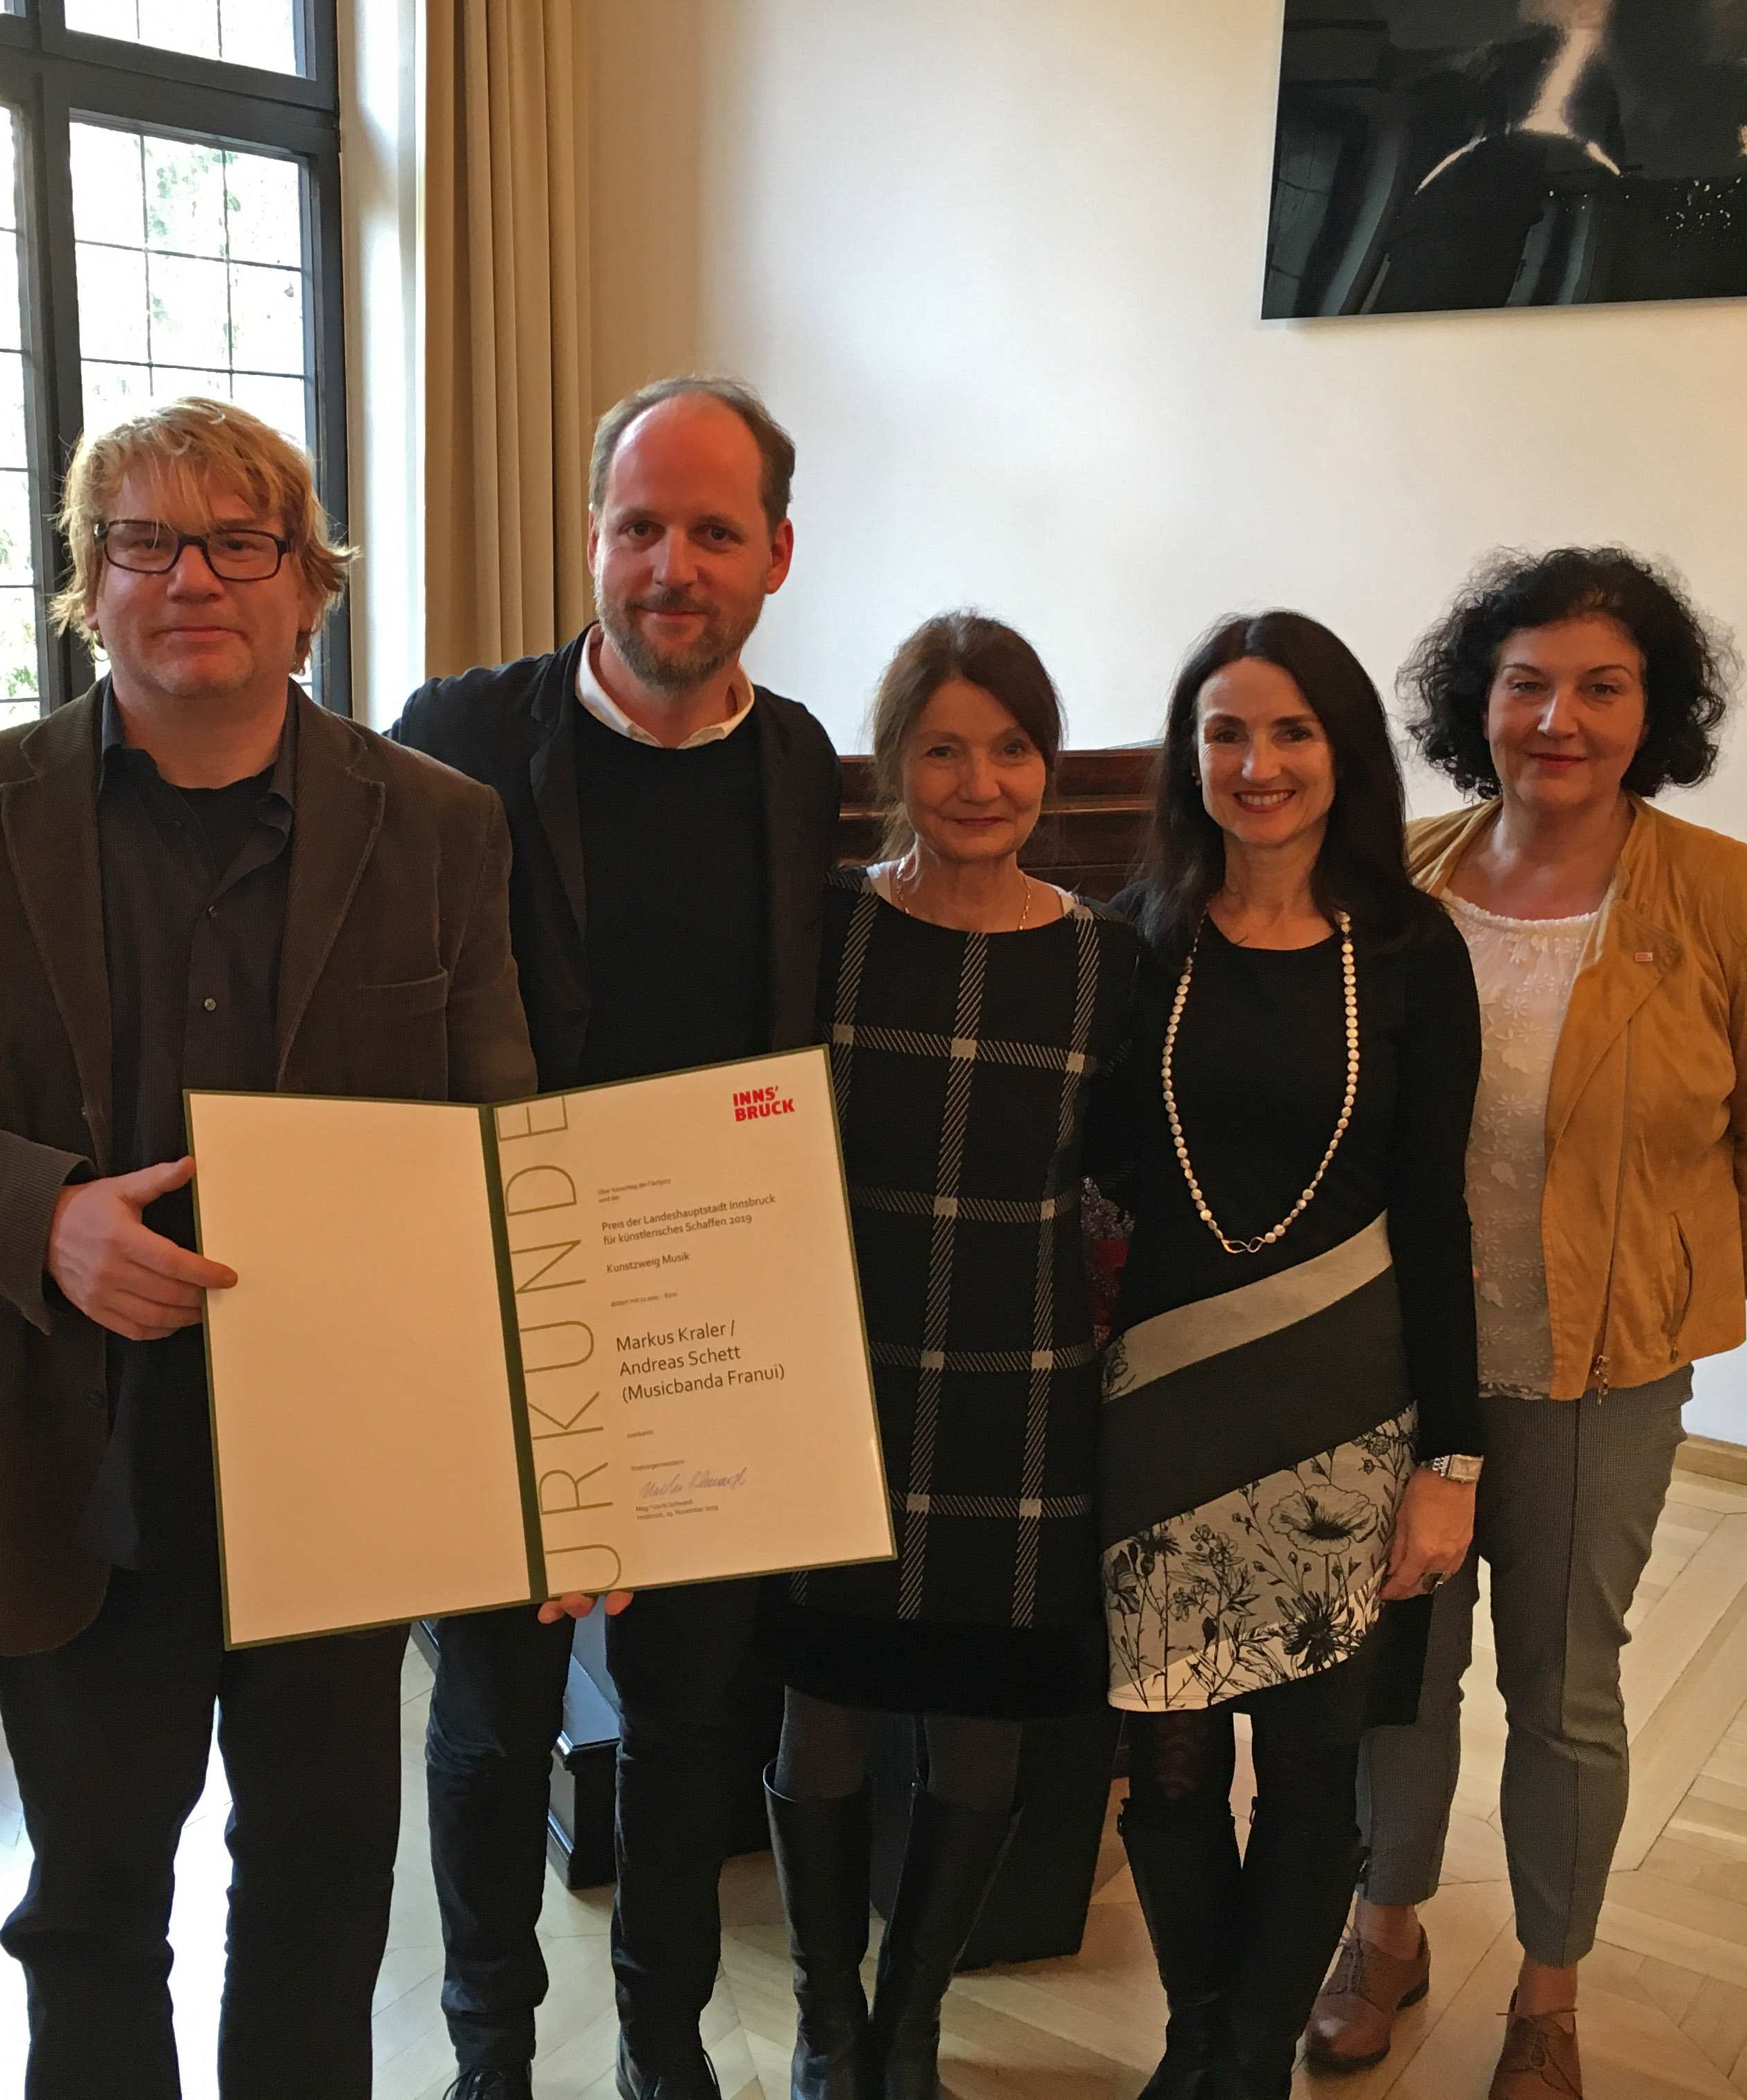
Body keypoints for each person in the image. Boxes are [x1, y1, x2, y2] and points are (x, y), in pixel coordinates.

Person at [0, 396, 537, 2099]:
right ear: (88, 583)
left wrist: (557, 1466)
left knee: (325, 1891)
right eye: (144, 541)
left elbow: (502, 1151)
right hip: (78, 1469)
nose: (190, 575)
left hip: (344, 1488)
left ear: (306, 588)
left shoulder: (440, 828)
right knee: (97, 1908)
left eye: (238, 541)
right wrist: (40, 1221)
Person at [1310, 549, 1747, 2100]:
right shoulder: (1392, 884)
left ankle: (1547, 1995)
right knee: (1398, 1671)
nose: (1560, 718)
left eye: (1602, 687)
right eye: (1527, 682)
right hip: (1398, 1364)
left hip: (1596, 1376)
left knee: (1564, 1685)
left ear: (1653, 713)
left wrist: (1670, 1286)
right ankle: (1386, 1925)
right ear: (1475, 701)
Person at [392, 375, 839, 2100]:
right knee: (497, 1722)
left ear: (776, 555)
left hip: (716, 1332)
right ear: (592, 537)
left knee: (691, 1714)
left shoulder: (799, 763)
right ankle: (488, 2054)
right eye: (639, 525)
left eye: (713, 530)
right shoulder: (456, 734)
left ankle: (665, 2046)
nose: (671, 564)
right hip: (507, 1325)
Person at [1092, 612, 1482, 2100]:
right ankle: (1214, 2040)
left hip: (1351, 1417)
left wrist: (1450, 1461)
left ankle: (1239, 2060)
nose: (1257, 766)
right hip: (1165, 1421)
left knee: (1315, 1767)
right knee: (1175, 1768)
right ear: (1189, 756)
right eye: (1225, 733)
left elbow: (1438, 1214)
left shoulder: (1410, 948)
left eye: (1292, 732)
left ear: (1345, 754)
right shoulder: (1133, 940)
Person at [763, 612, 1140, 2100]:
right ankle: (824, 2021)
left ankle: (911, 2021)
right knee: (824, 1714)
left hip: (1018, 1393)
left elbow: (1131, 1185)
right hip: (835, 1373)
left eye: (1011, 749)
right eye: (943, 748)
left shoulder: (1110, 958)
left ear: (1045, 764)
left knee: (979, 1750)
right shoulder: (831, 926)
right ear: (893, 760)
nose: (979, 782)